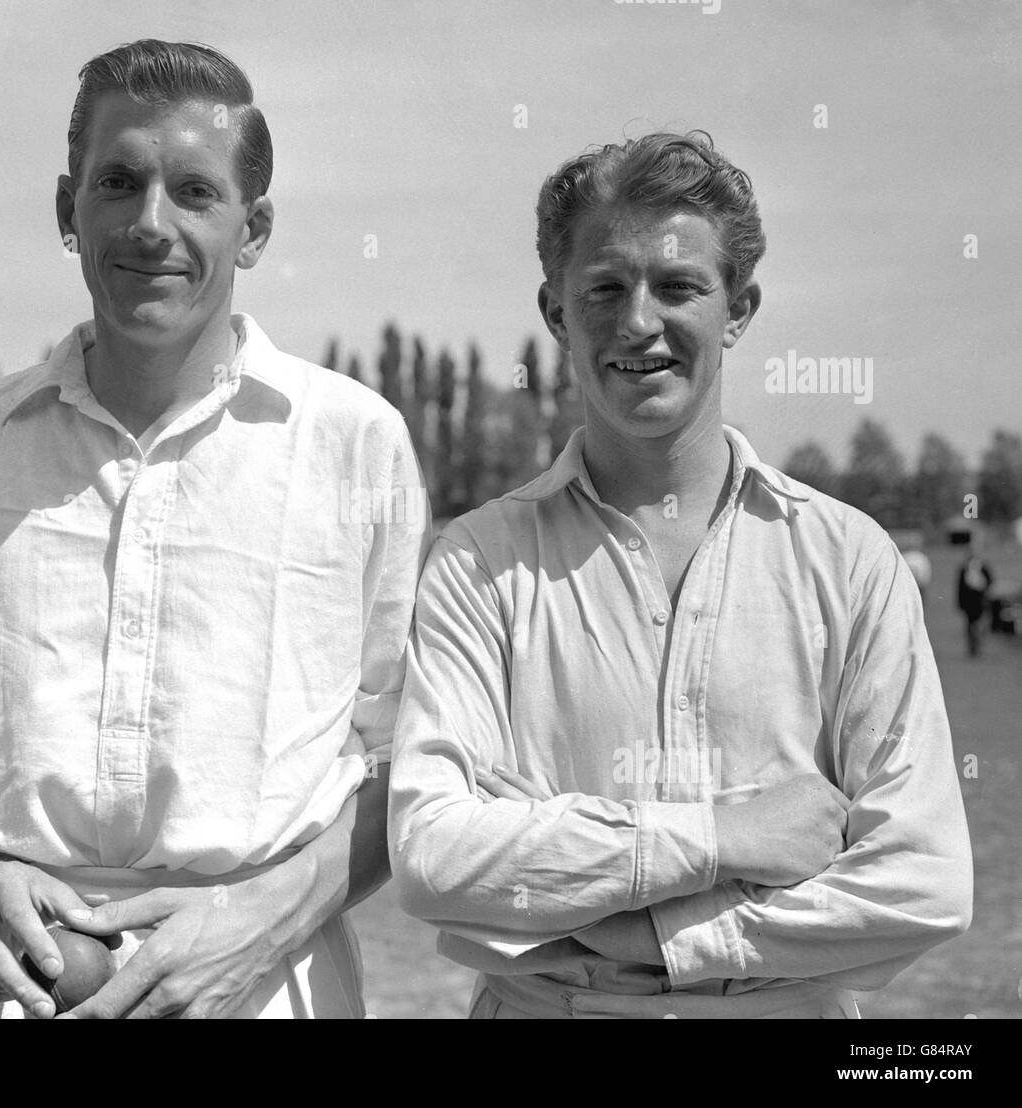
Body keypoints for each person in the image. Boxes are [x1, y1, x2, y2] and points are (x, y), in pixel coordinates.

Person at [0, 39, 429, 1019]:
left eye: (194, 191)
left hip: (267, 984)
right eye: (119, 182)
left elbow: (411, 749)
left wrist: (267, 921)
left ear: (254, 228)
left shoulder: (355, 444)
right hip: (17, 979)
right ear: (68, 209)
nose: (150, 223)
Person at [388, 131, 973, 1018]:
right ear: (555, 311)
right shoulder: (478, 564)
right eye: (606, 288)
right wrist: (722, 839)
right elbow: (435, 856)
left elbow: (924, 881)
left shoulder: (851, 560)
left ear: (739, 309)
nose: (637, 322)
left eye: (678, 287)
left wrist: (644, 932)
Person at [956, 539, 993, 657]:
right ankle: (972, 647)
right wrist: (960, 603)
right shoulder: (964, 569)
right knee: (970, 625)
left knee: (981, 625)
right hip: (969, 602)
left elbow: (990, 582)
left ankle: (978, 645)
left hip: (981, 601)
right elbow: (960, 587)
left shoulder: (983, 567)